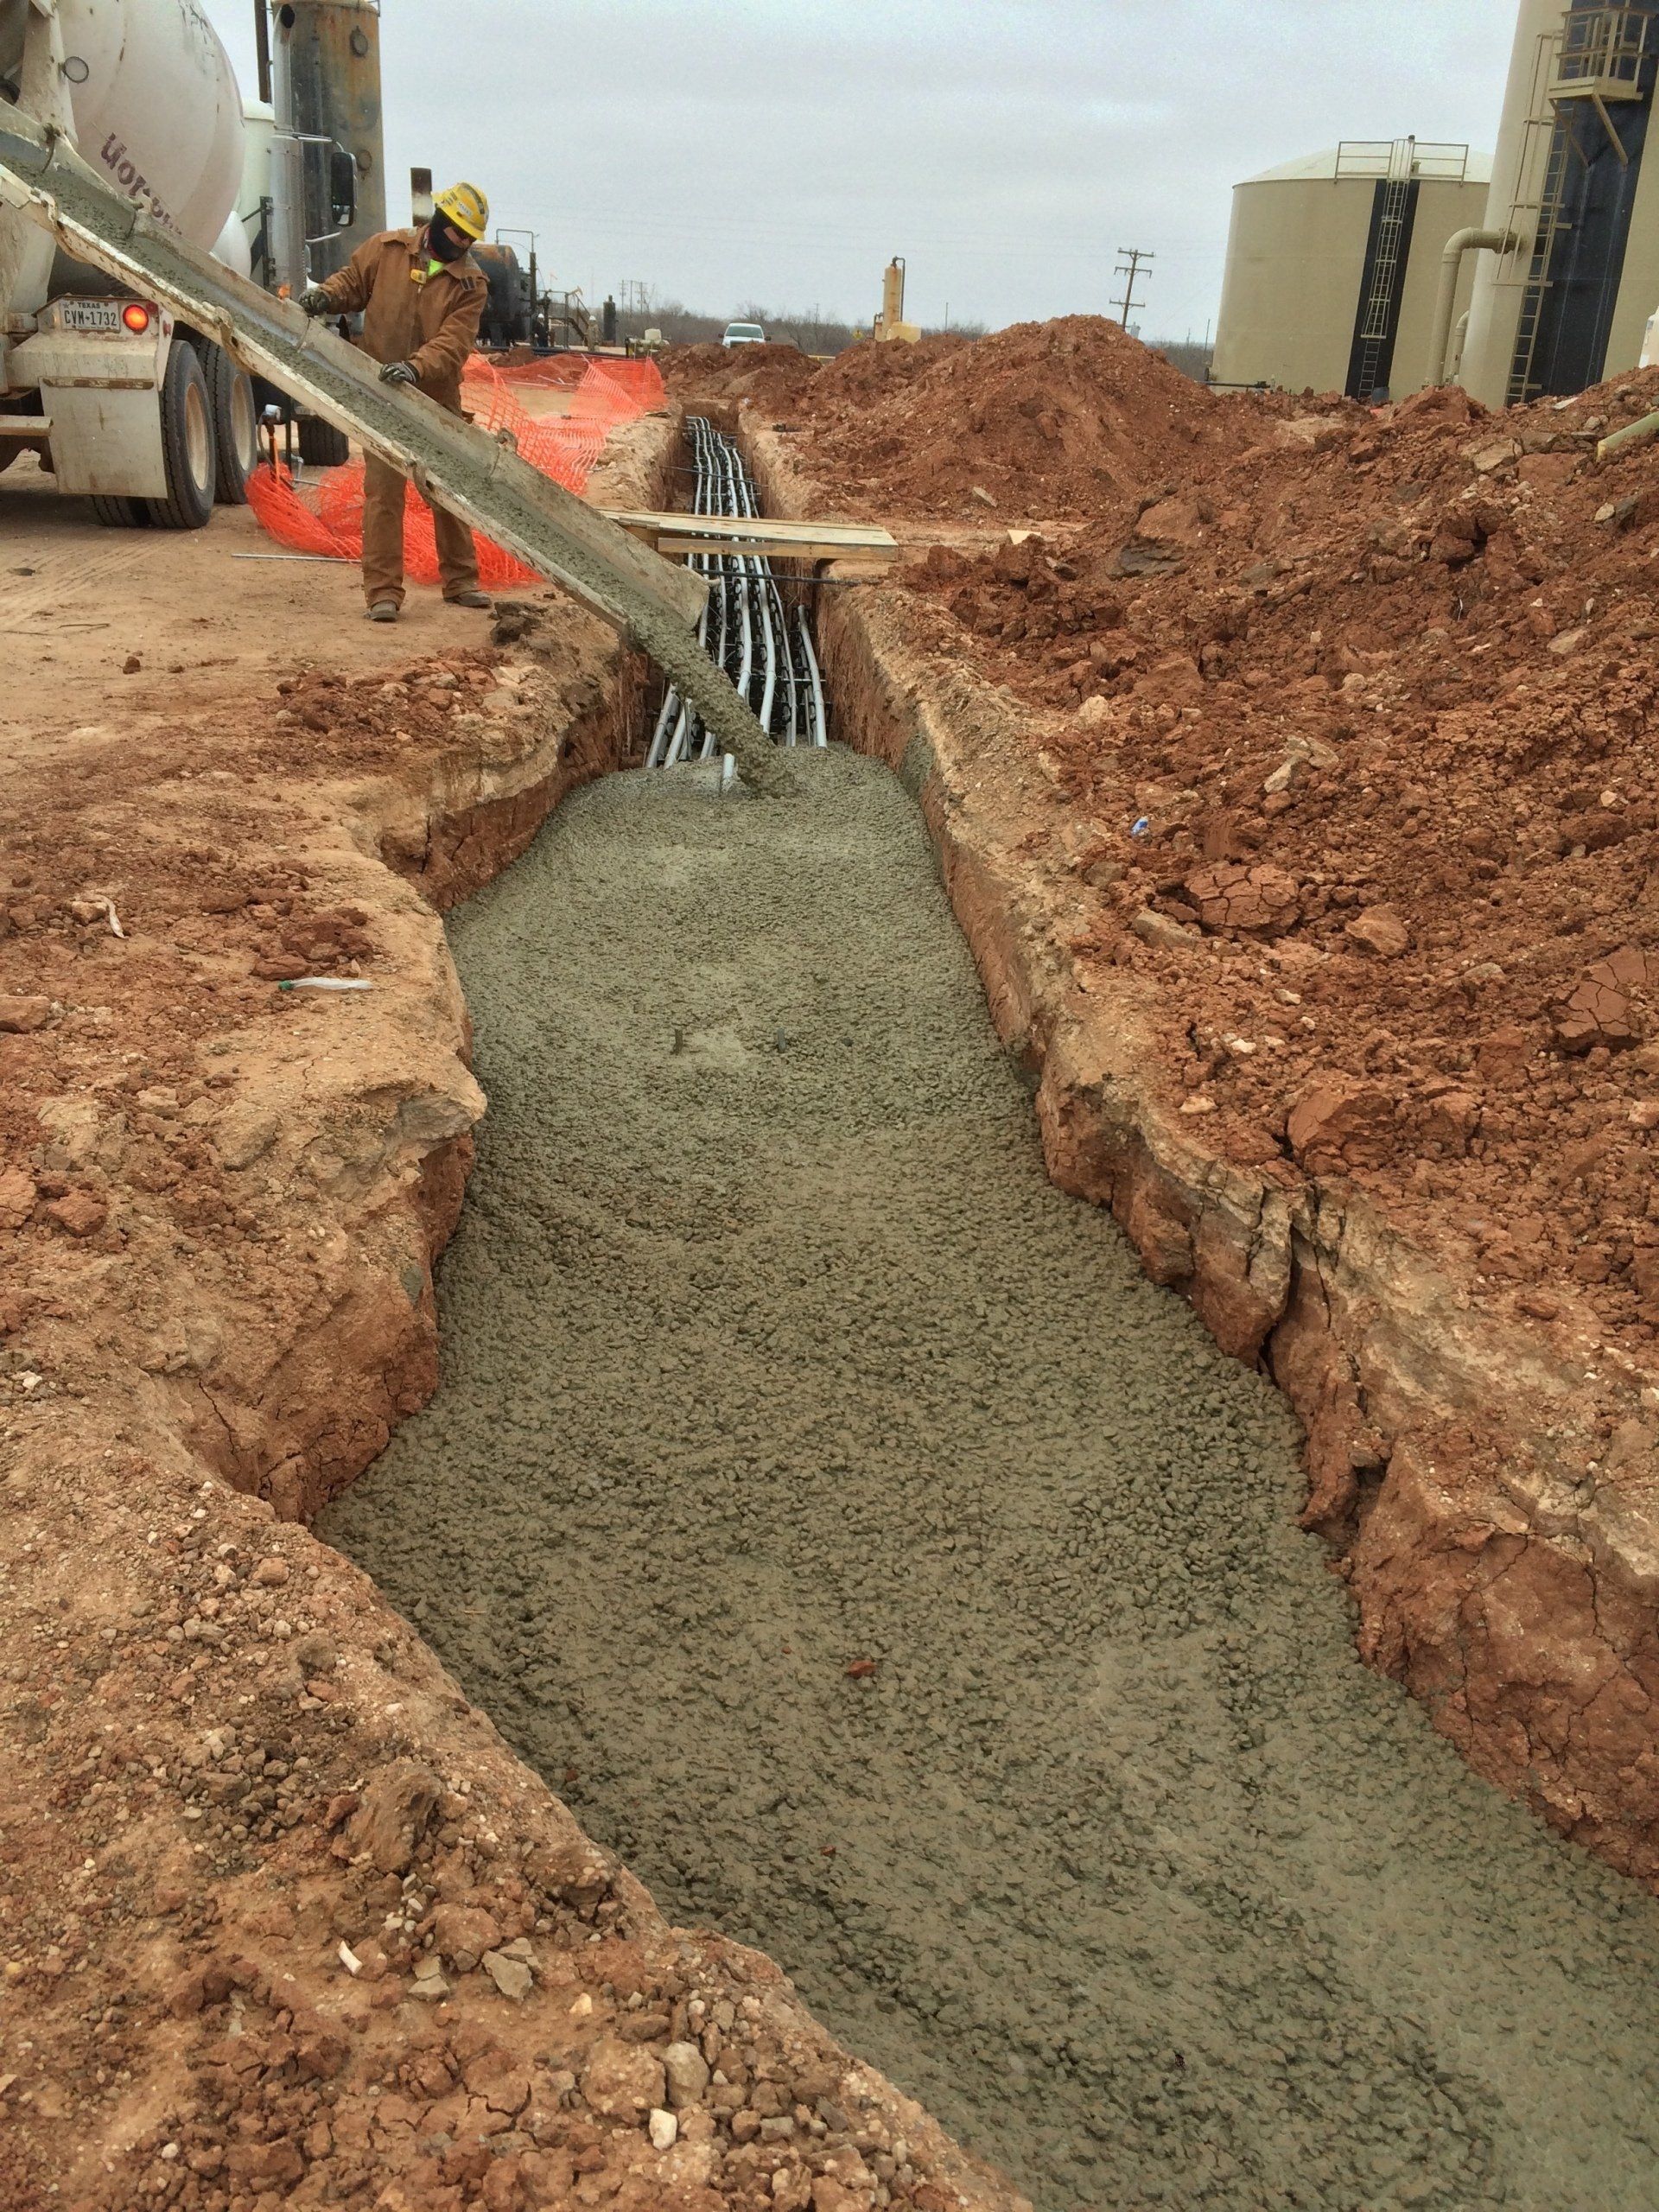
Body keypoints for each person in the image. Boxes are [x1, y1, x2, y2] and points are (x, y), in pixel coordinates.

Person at [300, 183, 493, 622]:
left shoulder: (470, 283)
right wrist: (326, 296)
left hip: (435, 397)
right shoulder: (386, 251)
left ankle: (461, 581)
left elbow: (453, 343)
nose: (460, 243)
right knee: (384, 495)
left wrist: (416, 367)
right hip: (381, 395)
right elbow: (352, 283)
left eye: (468, 239)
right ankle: (383, 593)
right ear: (439, 219)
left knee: (448, 491)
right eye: (456, 232)